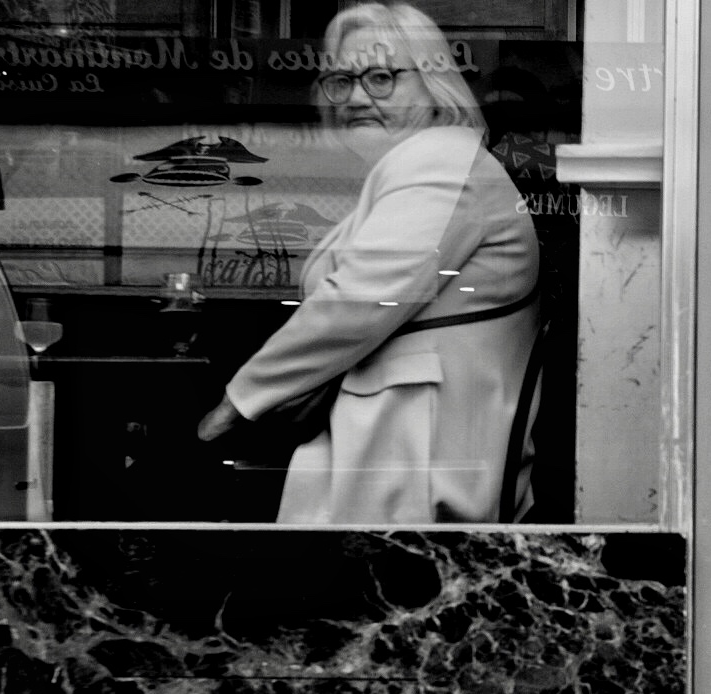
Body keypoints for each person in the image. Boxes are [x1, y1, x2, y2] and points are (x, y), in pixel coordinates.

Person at [197, 2, 542, 524]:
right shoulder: (423, 164)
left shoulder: (439, 158)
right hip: (401, 465)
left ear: (432, 83)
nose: (356, 97)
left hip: (412, 476)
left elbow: (358, 300)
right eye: (341, 79)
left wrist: (239, 403)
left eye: (381, 77)